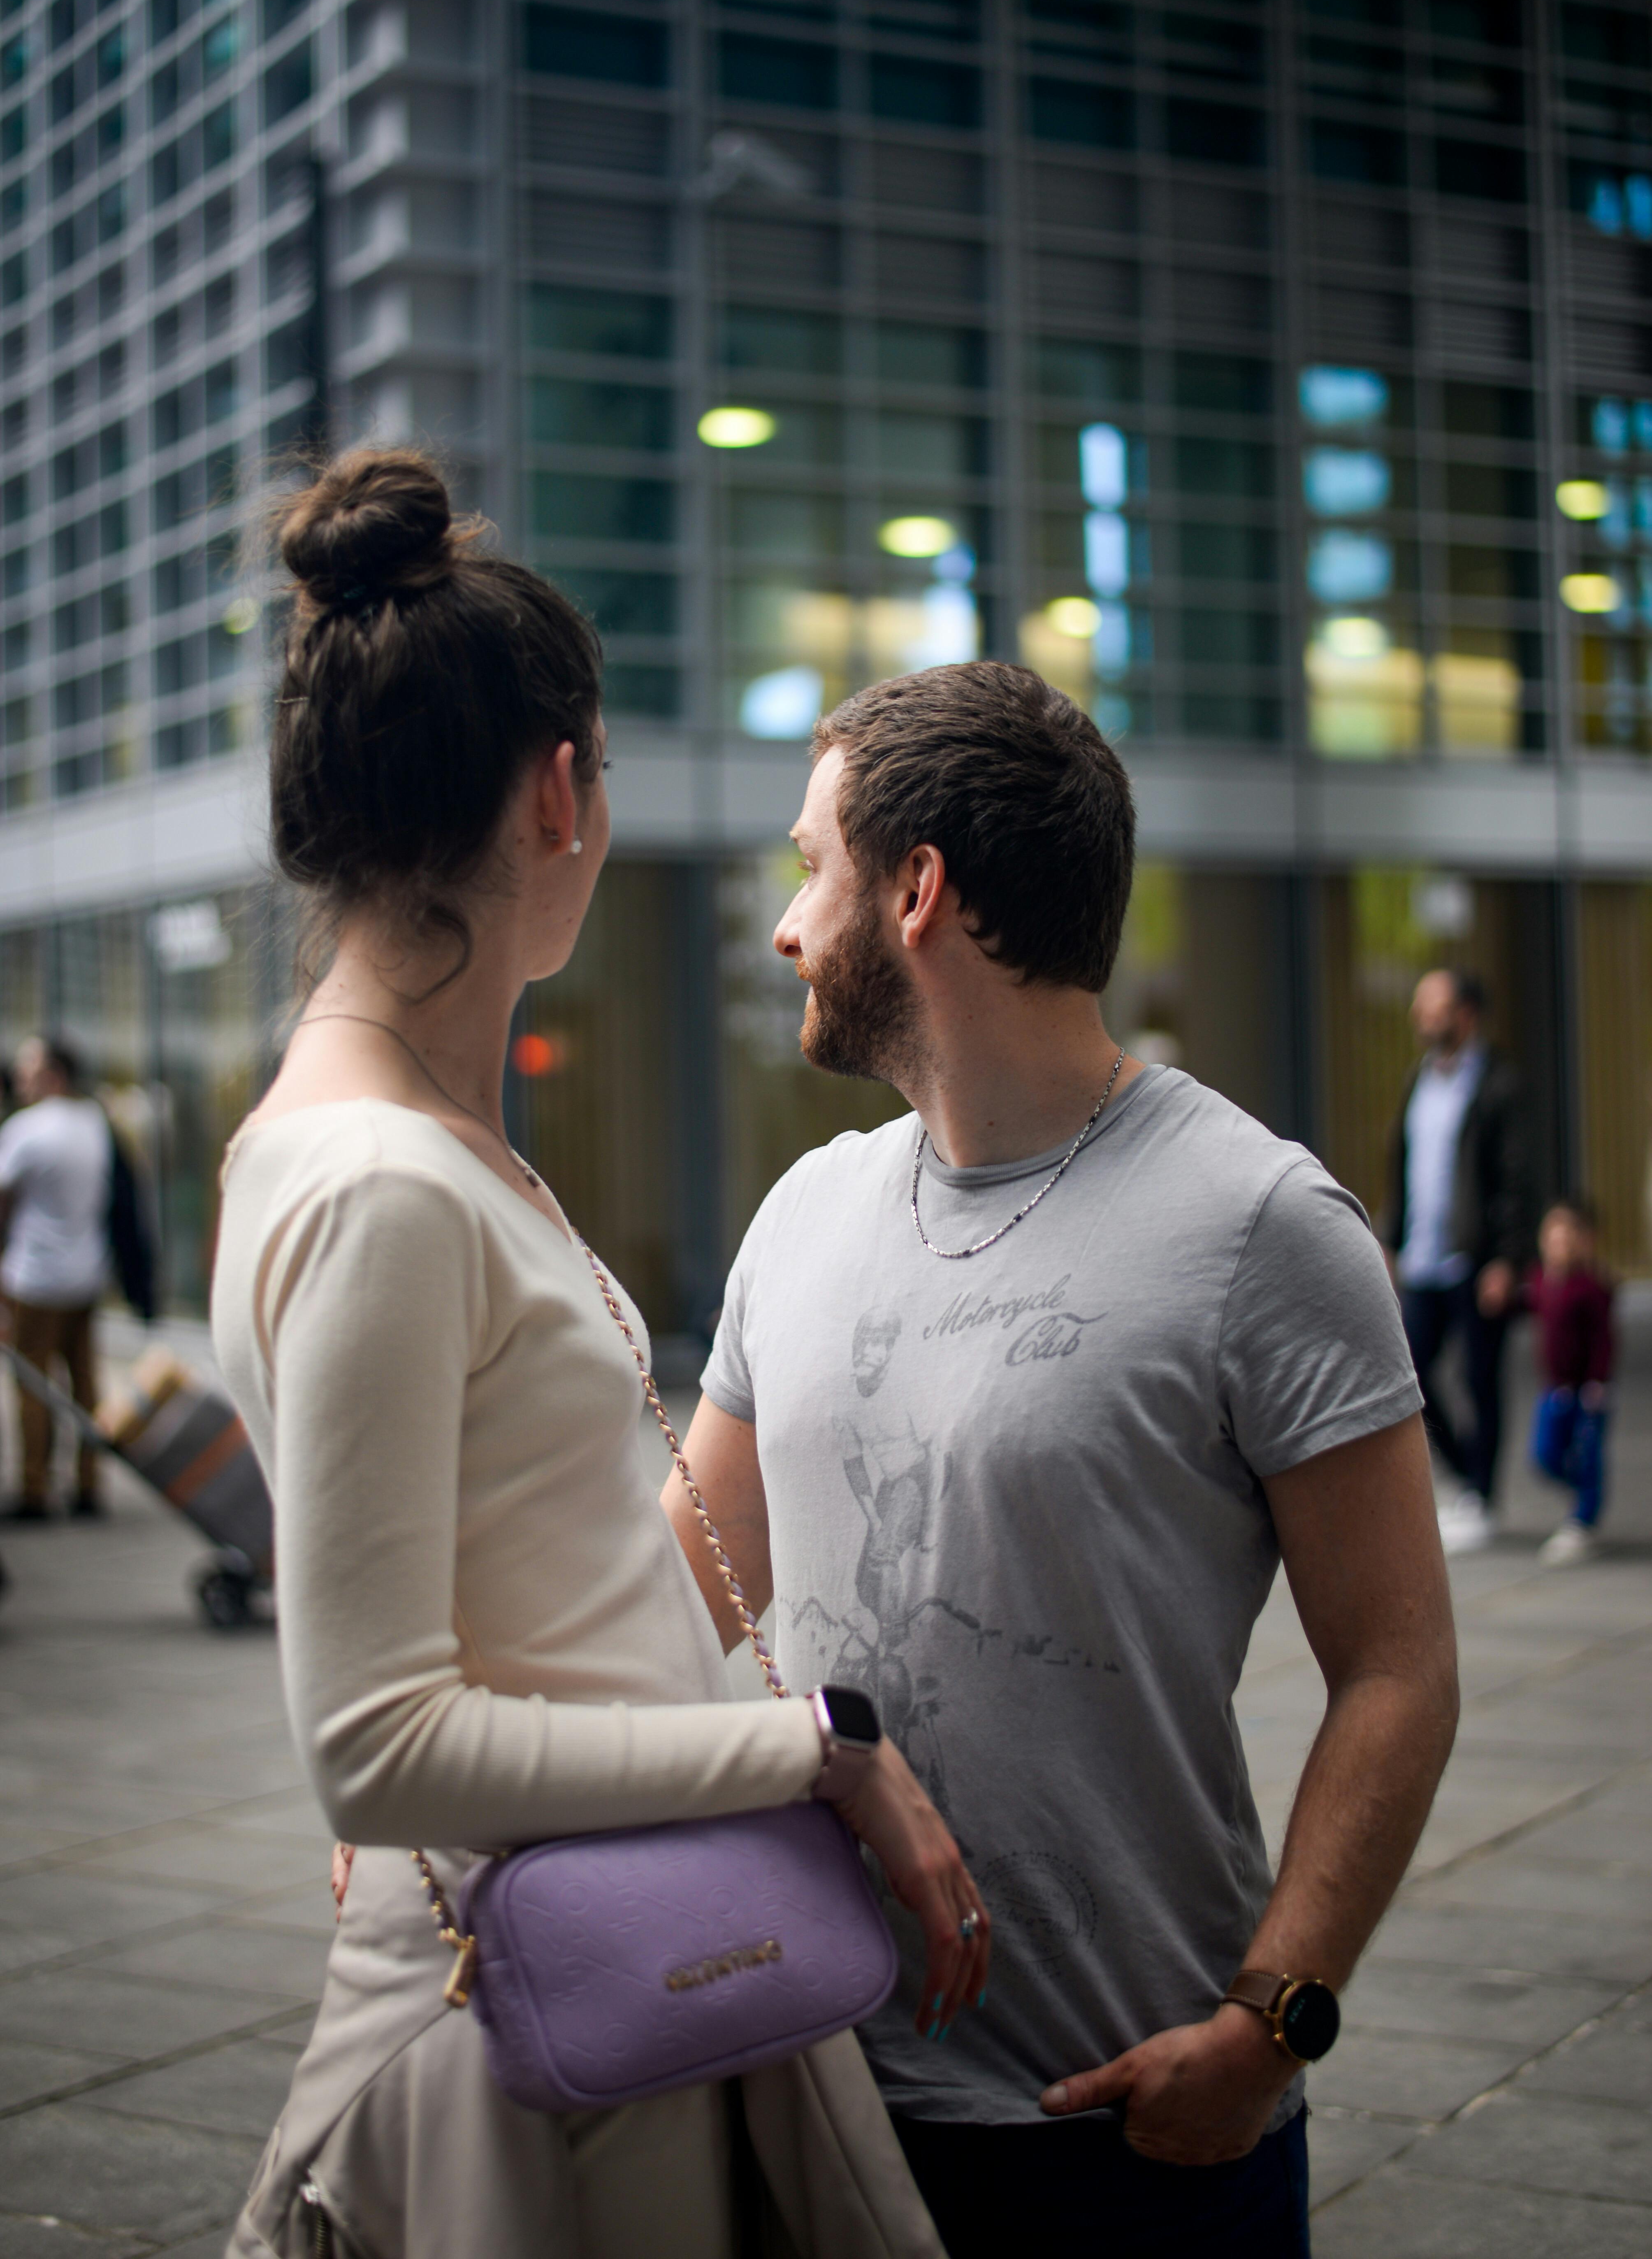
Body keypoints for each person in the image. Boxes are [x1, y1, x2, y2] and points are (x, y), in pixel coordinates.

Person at [213, 448, 983, 2259]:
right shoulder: (381, 1177)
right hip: (524, 2027)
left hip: (617, 1953)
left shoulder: (395, 1137)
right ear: (559, 790)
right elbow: (376, 1738)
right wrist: (811, 1752)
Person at [667, 663, 1460, 2259]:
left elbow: (1395, 1665)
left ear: (916, 890)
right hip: (803, 2074)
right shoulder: (802, 1210)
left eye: (809, 864)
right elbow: (679, 1581)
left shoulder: (1263, 1226)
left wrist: (1267, 2024)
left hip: (1122, 2126)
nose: (782, 921)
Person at [1378, 968, 1534, 1556]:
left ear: (1465, 1015)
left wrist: (1508, 1258)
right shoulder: (1419, 1080)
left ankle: (1483, 1497)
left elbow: (1517, 1178)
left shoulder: (1498, 1085)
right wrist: (1391, 1240)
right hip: (1423, 1257)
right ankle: (1468, 1475)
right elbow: (1406, 1165)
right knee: (1409, 1370)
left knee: (1481, 1378)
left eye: (1434, 1006)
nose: (1423, 1016)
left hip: (1476, 1260)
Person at [0, 1034, 111, 1520]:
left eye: (30, 1070)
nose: (22, 1080)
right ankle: (89, 1483)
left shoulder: (28, 1129)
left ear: (54, 1075)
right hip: (86, 1272)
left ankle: (35, 1489)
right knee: (84, 1381)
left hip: (35, 1277)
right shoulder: (94, 1123)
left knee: (32, 1384)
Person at [1523, 1197, 1614, 1569]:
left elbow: (1605, 1341)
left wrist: (1598, 1381)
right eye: (1552, 1236)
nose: (1558, 1245)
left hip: (1587, 1392)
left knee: (1589, 1453)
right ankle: (1582, 1493)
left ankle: (1583, 1518)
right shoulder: (1541, 1281)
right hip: (1554, 1389)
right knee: (1545, 1454)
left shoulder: (1590, 1289)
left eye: (1567, 1237)